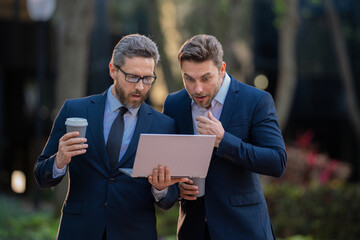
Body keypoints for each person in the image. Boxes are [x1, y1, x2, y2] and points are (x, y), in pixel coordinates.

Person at [34, 34, 185, 240]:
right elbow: (41, 177)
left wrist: (161, 188)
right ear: (113, 70)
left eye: (147, 78)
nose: (140, 87)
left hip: (135, 233)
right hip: (79, 231)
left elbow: (169, 200)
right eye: (132, 77)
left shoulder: (164, 125)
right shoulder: (75, 110)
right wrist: (59, 161)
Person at [163, 34, 287, 240]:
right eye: (189, 79)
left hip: (244, 229)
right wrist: (176, 186)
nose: (197, 89)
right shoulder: (173, 104)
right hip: (193, 231)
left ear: (222, 69)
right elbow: (168, 160)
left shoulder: (256, 101)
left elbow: (277, 162)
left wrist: (223, 140)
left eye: (205, 78)